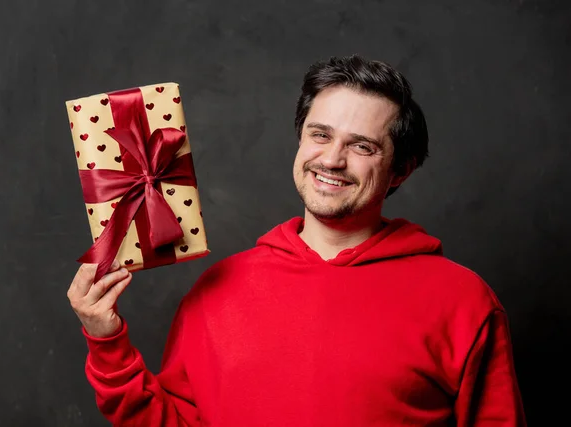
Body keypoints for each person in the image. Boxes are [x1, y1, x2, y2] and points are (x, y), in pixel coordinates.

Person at [67, 55, 527, 426]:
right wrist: (106, 340)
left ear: (399, 171)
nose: (332, 159)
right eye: (319, 135)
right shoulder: (216, 291)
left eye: (362, 146)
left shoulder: (463, 301)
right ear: (300, 141)